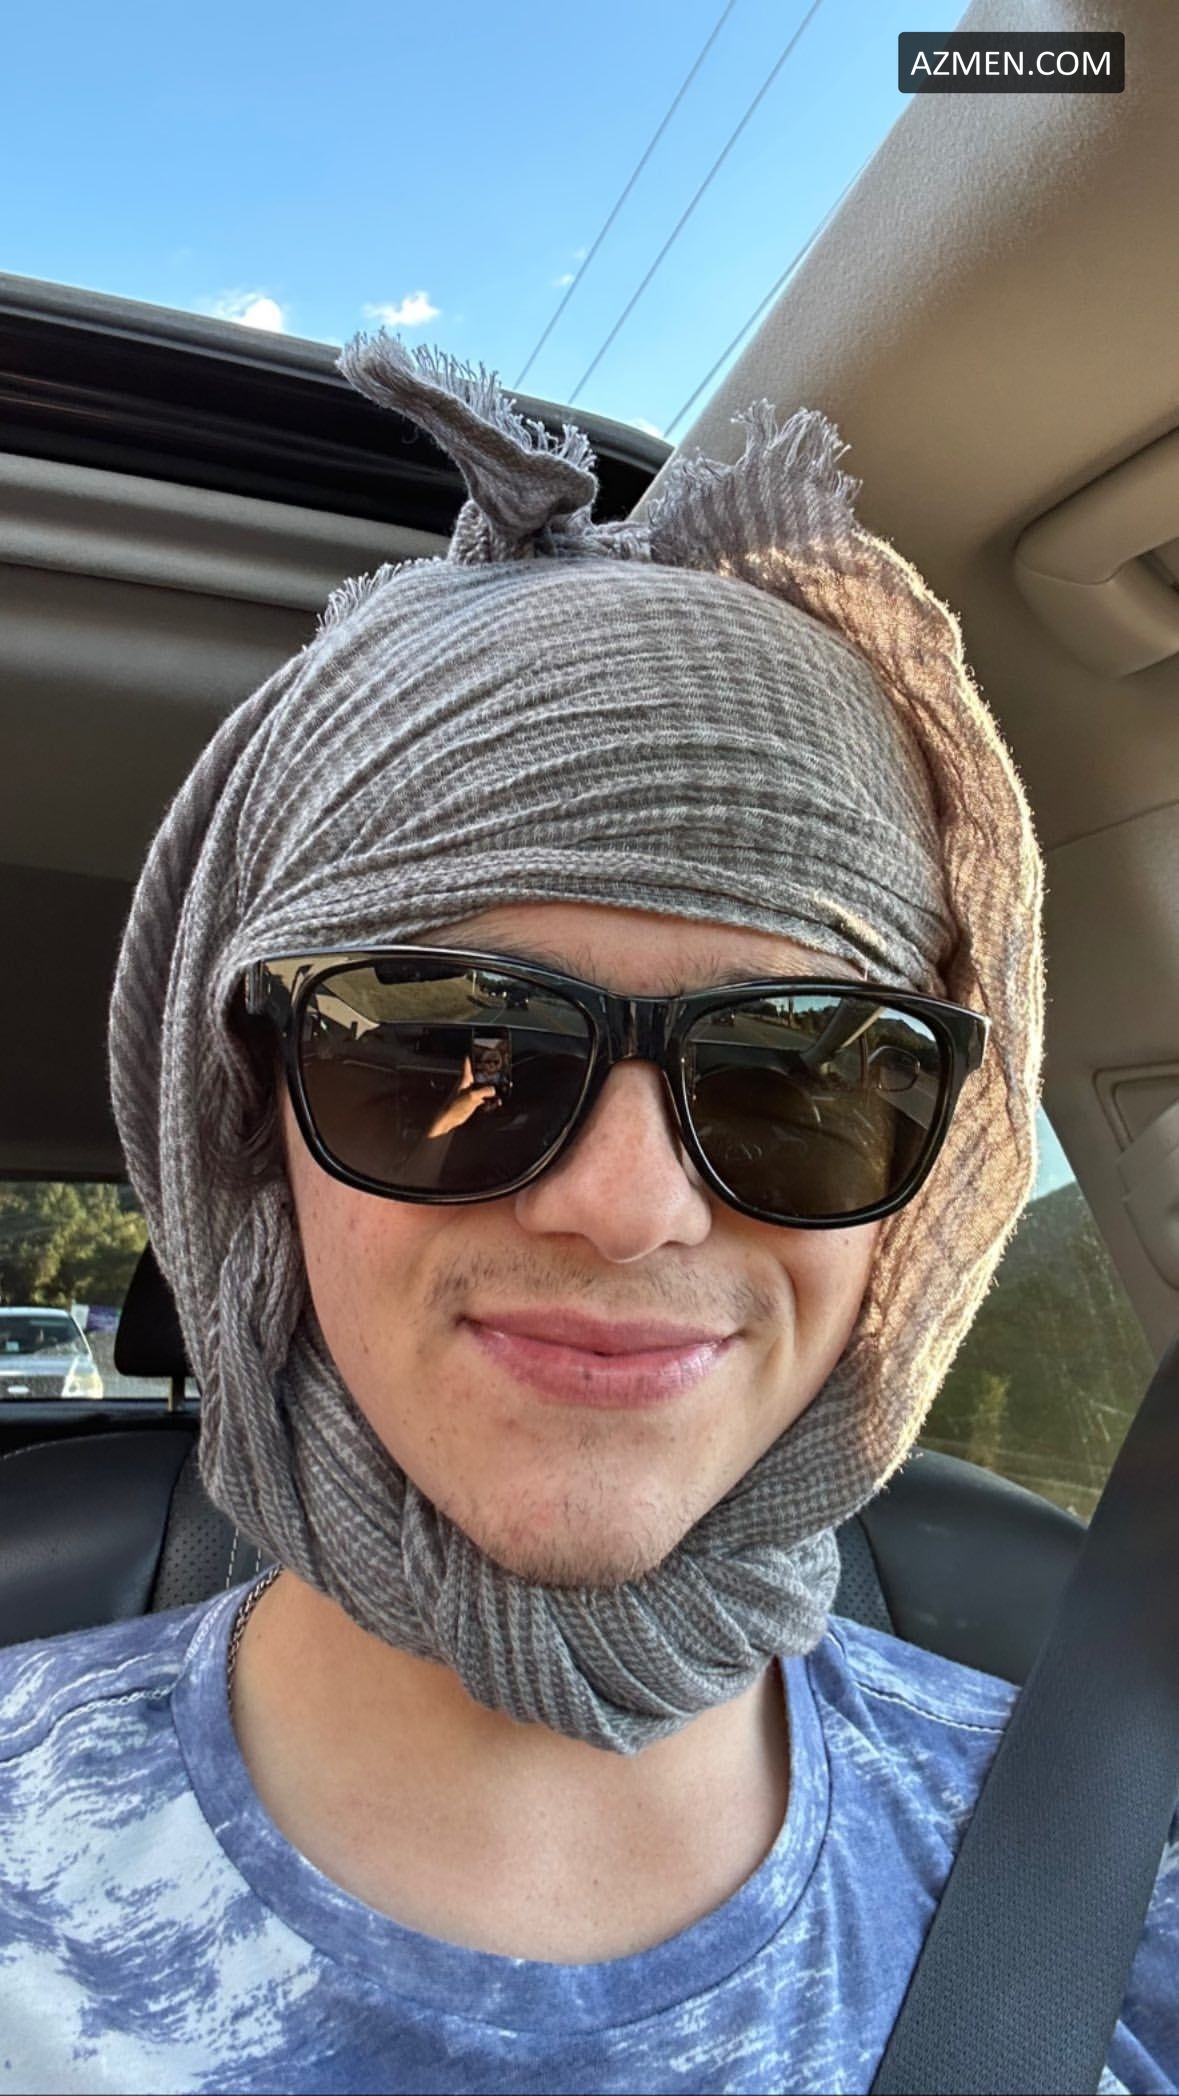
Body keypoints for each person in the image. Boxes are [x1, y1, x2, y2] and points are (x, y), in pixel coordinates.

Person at [0, 337, 1174, 2095]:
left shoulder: (1123, 1880)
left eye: (796, 1072)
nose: (629, 1210)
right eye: (447, 1049)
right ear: (252, 1124)